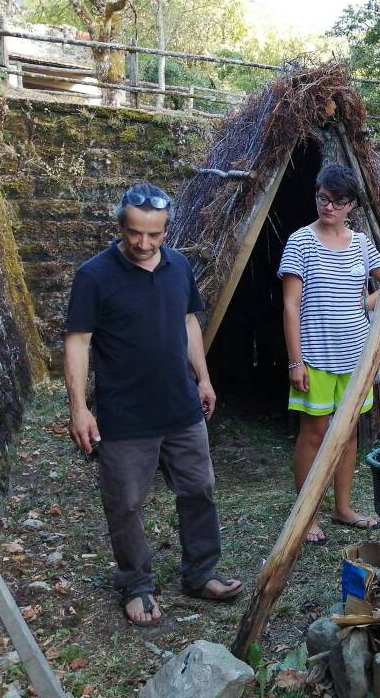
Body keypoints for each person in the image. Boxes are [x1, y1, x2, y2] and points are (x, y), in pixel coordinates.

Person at [64, 183, 243, 628]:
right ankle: (136, 584)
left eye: (155, 235)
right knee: (125, 503)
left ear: (167, 229)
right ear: (120, 225)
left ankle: (201, 573)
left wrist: (203, 378)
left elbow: (188, 322)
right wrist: (79, 409)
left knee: (199, 491)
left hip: (180, 407)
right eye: (135, 233)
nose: (144, 244)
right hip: (125, 415)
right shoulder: (94, 275)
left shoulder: (179, 265)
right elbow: (78, 341)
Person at [279, 163, 380, 546]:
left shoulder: (361, 243)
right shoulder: (300, 241)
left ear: (352, 205)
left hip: (356, 357)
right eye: (323, 198)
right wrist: (296, 360)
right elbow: (291, 305)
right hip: (316, 356)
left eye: (338, 202)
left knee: (348, 433)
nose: (329, 207)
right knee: (315, 431)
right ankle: (306, 514)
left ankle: (343, 507)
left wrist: (366, 302)